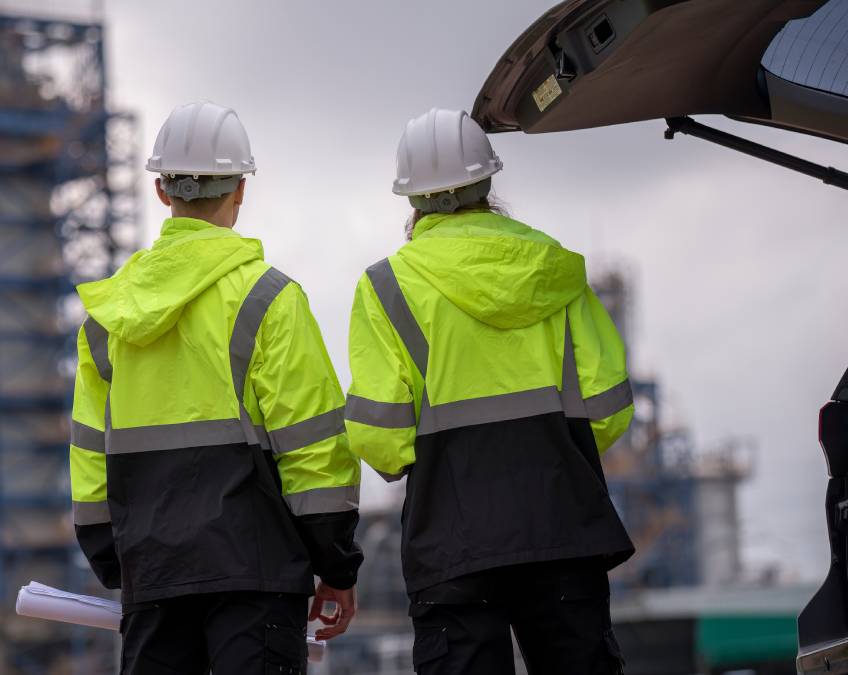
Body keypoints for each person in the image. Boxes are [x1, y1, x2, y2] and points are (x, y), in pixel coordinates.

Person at [69, 100, 363, 674]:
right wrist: (336, 564)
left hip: (152, 578)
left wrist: (118, 561)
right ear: (241, 189)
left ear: (162, 191)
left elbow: (88, 459)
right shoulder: (270, 300)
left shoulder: (107, 319)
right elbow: (313, 448)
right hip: (258, 578)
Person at [345, 108, 635, 675]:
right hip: (562, 528)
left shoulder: (386, 288)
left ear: (412, 198)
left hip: (452, 543)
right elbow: (609, 411)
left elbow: (381, 439)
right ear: (488, 182)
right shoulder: (555, 269)